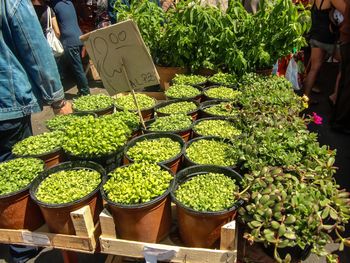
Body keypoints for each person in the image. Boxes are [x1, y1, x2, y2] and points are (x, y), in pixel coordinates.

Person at [0, 0, 72, 261]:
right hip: (5, 105)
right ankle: (23, 248)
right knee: (17, 176)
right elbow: (34, 49)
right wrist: (57, 100)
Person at [303, 0, 346, 102]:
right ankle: (335, 97)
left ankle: (304, 99)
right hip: (327, 39)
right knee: (344, 64)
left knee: (314, 68)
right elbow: (346, 11)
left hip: (315, 37)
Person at [50, 0, 91, 96]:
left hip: (69, 40)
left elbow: (56, 28)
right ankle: (82, 89)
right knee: (78, 67)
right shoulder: (70, 3)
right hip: (79, 37)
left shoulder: (54, 6)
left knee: (78, 69)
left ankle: (85, 92)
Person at [331, 0, 350, 133]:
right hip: (347, 40)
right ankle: (340, 122)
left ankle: (338, 120)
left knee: (345, 81)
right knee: (347, 84)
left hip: (345, 39)